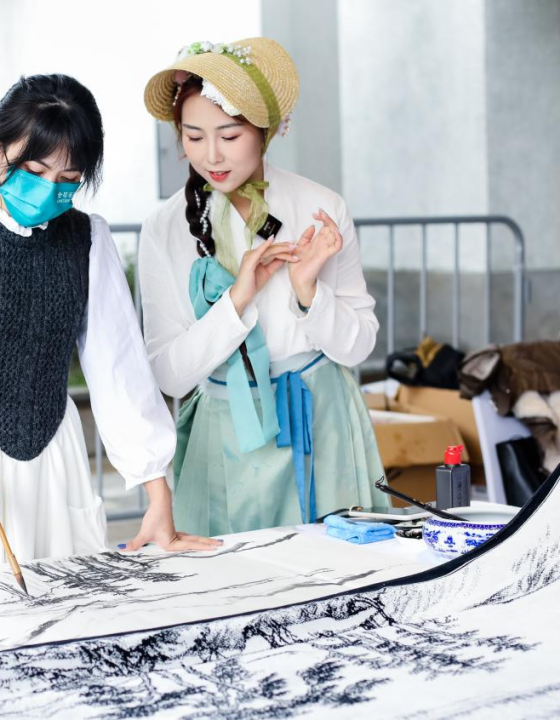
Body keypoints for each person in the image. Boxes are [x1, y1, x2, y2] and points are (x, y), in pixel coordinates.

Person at [0, 74, 218, 582]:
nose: (50, 189)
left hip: (55, 461)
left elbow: (120, 371)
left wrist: (157, 496)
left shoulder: (87, 241)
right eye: (35, 170)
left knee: (66, 610)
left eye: (68, 178)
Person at [138, 39, 388, 537]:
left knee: (334, 574)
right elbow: (168, 375)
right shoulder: (164, 228)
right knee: (228, 578)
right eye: (193, 136)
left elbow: (358, 346)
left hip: (319, 420)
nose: (211, 155)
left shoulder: (321, 207)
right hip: (222, 434)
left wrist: (308, 291)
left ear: (265, 131)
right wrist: (237, 300)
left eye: (230, 135)